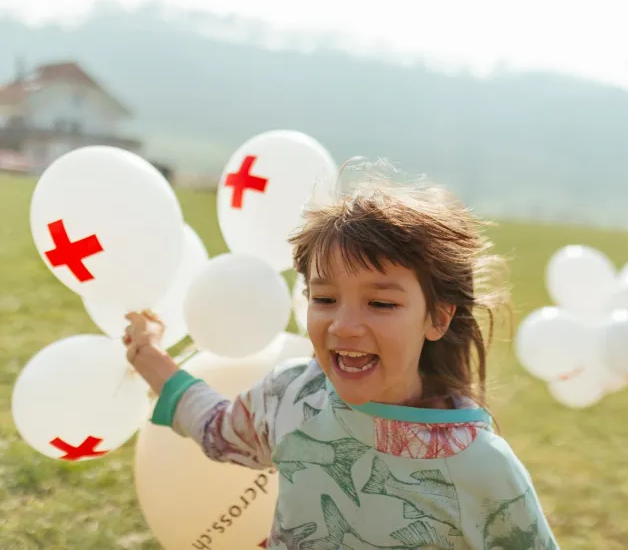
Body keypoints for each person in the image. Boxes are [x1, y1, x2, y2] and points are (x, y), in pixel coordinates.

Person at [123, 165, 559, 550]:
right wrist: (149, 356)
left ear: (438, 319)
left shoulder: (481, 467)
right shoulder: (291, 394)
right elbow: (218, 428)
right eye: (325, 298)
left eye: (381, 304)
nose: (344, 326)